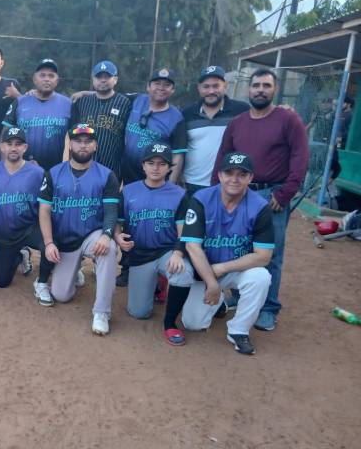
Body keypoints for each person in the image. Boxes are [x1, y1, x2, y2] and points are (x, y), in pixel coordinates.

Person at [214, 68, 309, 331]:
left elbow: (300, 158)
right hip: (238, 193)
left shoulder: (288, 120)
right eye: (256, 85)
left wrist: (285, 193)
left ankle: (268, 308)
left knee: (270, 253)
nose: (260, 90)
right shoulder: (238, 122)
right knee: (239, 248)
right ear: (249, 89)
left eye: (266, 86)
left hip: (271, 196)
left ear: (275, 90)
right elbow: (223, 157)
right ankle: (240, 295)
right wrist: (216, 192)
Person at [173, 152, 274, 355]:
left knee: (261, 277)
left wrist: (222, 268)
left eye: (242, 174)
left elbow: (263, 256)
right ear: (219, 175)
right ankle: (217, 300)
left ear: (250, 178)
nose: (234, 179)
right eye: (229, 173)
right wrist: (212, 283)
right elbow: (192, 246)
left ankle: (238, 331)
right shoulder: (201, 199)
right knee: (192, 324)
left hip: (234, 268)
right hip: (204, 270)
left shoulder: (259, 206)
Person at [39, 123, 120, 335]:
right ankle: (75, 270)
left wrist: (107, 234)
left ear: (95, 145)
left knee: (109, 249)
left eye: (88, 141)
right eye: (78, 141)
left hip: (91, 235)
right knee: (61, 295)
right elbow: (44, 211)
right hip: (65, 240)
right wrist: (49, 243)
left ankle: (101, 312)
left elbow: (111, 211)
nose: (83, 145)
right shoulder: (54, 173)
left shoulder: (106, 175)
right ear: (70, 144)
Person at [115, 143, 194, 344]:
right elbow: (118, 223)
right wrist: (117, 236)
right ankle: (158, 283)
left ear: (169, 168)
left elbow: (183, 232)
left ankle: (170, 323)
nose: (156, 168)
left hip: (167, 251)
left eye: (162, 164)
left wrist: (178, 253)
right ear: (143, 165)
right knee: (139, 312)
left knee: (183, 272)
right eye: (151, 163)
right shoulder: (128, 191)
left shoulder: (179, 194)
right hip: (140, 255)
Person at [0, 127, 53, 303]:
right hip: (6, 235)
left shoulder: (38, 173)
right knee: (1, 282)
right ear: (2, 147)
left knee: (50, 244)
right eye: (9, 143)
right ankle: (20, 255)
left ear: (25, 148)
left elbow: (49, 201)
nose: (13, 148)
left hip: (31, 228)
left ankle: (42, 282)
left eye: (18, 144)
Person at [182, 66, 249, 195]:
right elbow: (181, 148)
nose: (211, 91)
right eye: (206, 86)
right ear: (199, 88)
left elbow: (263, 116)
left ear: (225, 86)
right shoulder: (187, 114)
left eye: (216, 86)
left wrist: (281, 109)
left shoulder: (241, 110)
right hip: (190, 184)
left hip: (226, 185)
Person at [2, 59, 71, 171]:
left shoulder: (68, 104)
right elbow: (4, 135)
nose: (47, 79)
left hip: (57, 171)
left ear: (57, 80)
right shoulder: (19, 102)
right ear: (34, 79)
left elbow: (75, 140)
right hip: (22, 170)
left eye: (51, 75)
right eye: (42, 75)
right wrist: (5, 166)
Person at [121, 68, 186, 185]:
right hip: (126, 175)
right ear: (148, 87)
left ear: (173, 90)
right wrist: (89, 95)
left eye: (167, 85)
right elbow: (111, 96)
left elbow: (178, 155)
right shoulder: (136, 100)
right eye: (157, 83)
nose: (161, 88)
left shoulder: (177, 118)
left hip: (155, 180)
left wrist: (170, 186)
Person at [69, 60, 132, 180]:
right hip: (82, 167)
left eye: (107, 77)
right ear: (93, 79)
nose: (103, 80)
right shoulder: (82, 102)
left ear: (115, 79)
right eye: (99, 77)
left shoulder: (126, 103)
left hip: (111, 167)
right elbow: (71, 135)